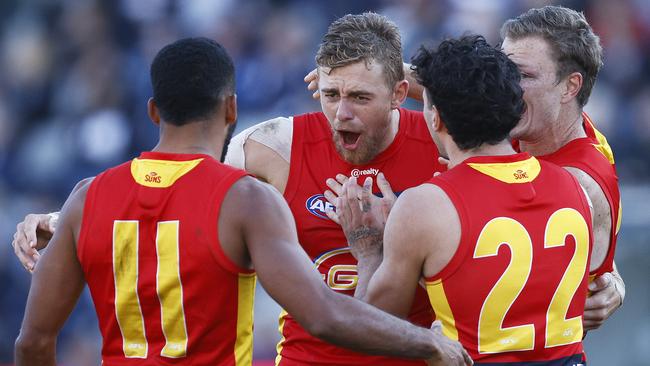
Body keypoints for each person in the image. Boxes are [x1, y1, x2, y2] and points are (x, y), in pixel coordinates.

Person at [13, 37, 470, 366]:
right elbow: (323, 314)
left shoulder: (86, 198)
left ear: (153, 111)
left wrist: (54, 219)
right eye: (331, 95)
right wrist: (428, 344)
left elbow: (31, 345)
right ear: (232, 109)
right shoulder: (243, 199)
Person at [336, 34, 595, 364]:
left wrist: (369, 250)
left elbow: (370, 329)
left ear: (436, 118)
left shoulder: (425, 206)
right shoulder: (574, 185)